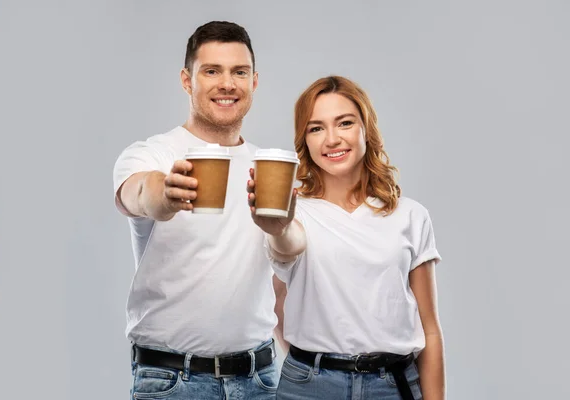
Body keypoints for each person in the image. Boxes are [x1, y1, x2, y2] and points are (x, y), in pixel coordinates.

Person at [113, 21, 286, 399]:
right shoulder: (153, 153)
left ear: (254, 81)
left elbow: (277, 281)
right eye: (212, 71)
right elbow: (139, 193)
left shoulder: (269, 168)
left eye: (239, 72)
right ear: (187, 80)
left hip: (261, 379)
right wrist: (166, 194)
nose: (227, 84)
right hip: (173, 381)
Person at [247, 75, 446, 400]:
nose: (332, 139)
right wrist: (278, 228)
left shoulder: (410, 215)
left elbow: (430, 329)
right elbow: (279, 290)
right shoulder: (291, 212)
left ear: (366, 129)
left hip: (392, 386)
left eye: (344, 123)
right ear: (305, 141)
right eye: (316, 128)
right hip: (308, 387)